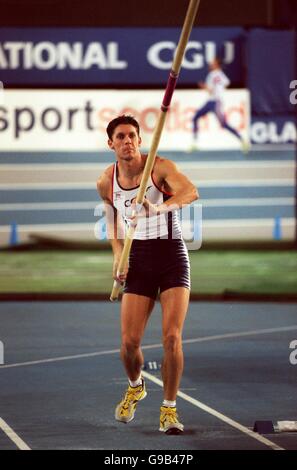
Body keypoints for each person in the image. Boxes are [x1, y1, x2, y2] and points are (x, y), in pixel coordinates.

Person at [97, 115, 199, 434]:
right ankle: (136, 386)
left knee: (171, 337)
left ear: (141, 141)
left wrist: (161, 208)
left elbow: (191, 192)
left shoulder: (160, 168)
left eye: (132, 136)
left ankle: (168, 409)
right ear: (110, 143)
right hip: (138, 258)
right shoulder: (106, 181)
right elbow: (111, 215)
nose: (127, 141)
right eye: (121, 136)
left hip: (171, 255)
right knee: (129, 344)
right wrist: (118, 255)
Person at [190, 57, 249, 153]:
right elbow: (227, 83)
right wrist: (219, 89)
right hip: (213, 101)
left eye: (212, 62)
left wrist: (204, 86)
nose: (210, 64)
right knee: (197, 118)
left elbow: (211, 90)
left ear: (216, 64)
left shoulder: (212, 75)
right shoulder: (221, 74)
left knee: (222, 124)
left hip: (214, 102)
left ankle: (242, 140)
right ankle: (194, 143)